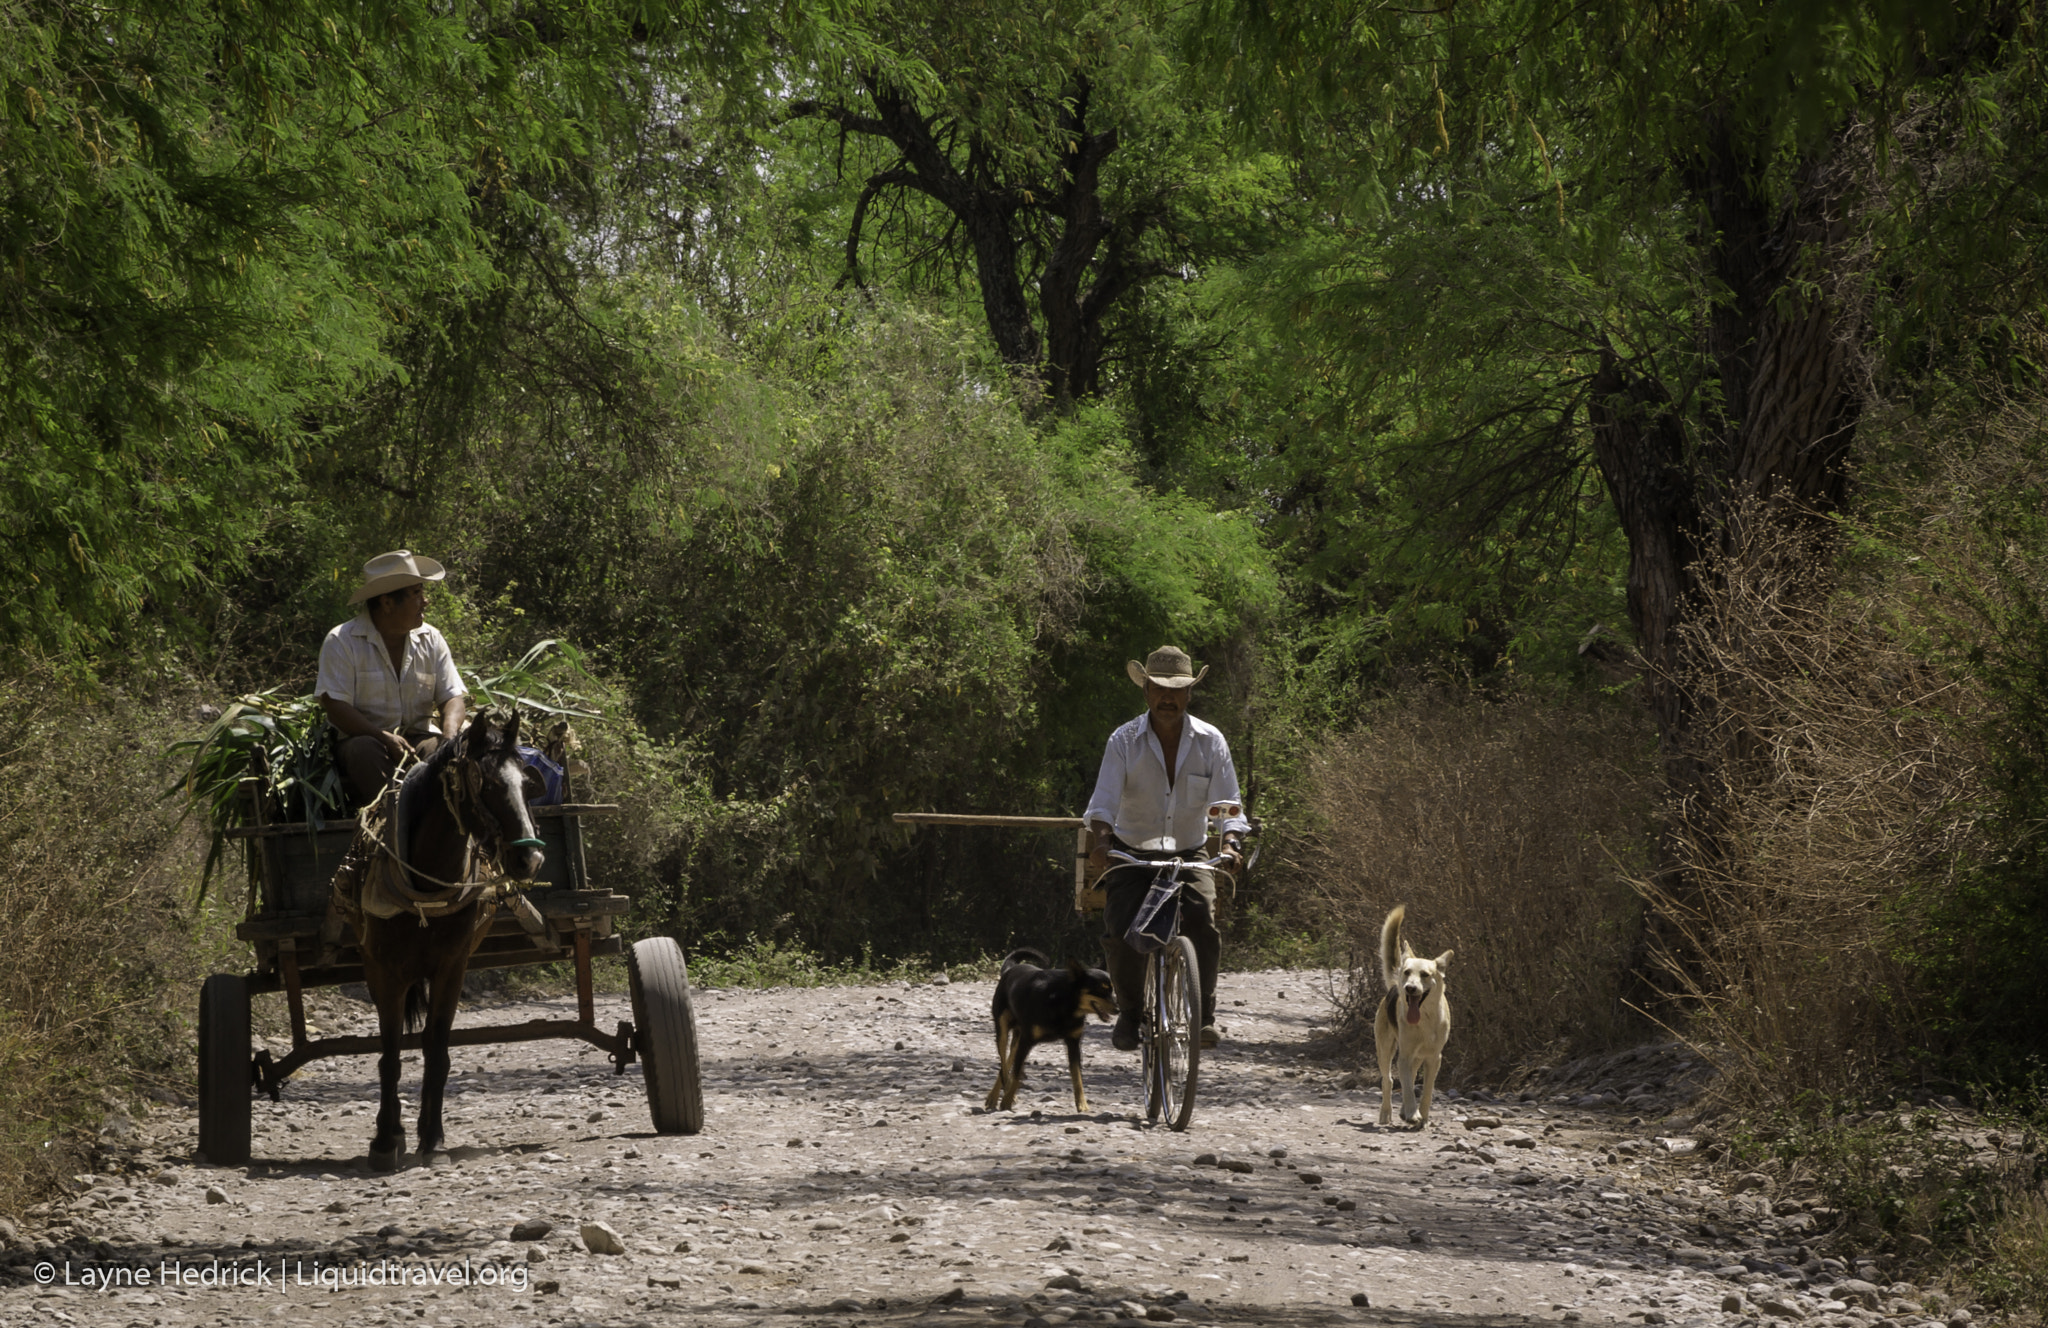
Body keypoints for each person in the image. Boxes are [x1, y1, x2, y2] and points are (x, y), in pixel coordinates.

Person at [1083, 645, 1250, 1052]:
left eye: (1176, 690)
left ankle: (1204, 1016)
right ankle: (1131, 1013)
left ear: (1190, 693)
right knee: (1121, 926)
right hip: (1132, 852)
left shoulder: (1211, 742)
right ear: (1146, 691)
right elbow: (1103, 803)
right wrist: (1103, 843)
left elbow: (1228, 804)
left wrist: (1230, 841)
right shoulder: (1123, 740)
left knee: (1202, 923)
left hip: (1188, 854)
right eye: (1159, 688)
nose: (1167, 697)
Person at [316, 550, 469, 804]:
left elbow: (452, 695)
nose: (425, 601)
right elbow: (335, 707)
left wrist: (449, 737)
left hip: (418, 739)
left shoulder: (431, 639)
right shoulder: (342, 641)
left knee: (442, 753)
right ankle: (393, 817)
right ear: (387, 603)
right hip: (367, 743)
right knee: (363, 750)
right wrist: (383, 737)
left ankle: (439, 820)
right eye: (416, 593)